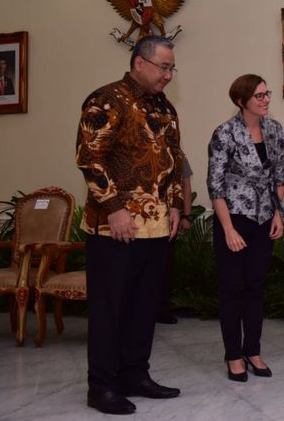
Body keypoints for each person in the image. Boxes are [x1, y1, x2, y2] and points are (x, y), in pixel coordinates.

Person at [76, 35, 184, 415]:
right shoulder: (106, 100)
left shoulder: (165, 108)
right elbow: (90, 158)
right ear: (140, 63)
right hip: (114, 228)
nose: (169, 75)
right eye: (163, 67)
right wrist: (114, 209)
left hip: (155, 229)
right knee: (111, 309)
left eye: (172, 68)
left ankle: (135, 374)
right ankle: (102, 386)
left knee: (143, 306)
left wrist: (174, 207)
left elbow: (172, 161)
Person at [207, 74, 284, 383]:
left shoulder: (275, 129)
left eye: (267, 94)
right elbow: (215, 186)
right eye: (259, 96)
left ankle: (252, 350)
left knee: (256, 288)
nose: (266, 100)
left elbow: (280, 174)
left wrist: (278, 215)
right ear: (241, 101)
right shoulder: (224, 133)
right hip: (234, 218)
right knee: (231, 290)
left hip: (265, 218)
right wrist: (228, 229)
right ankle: (233, 356)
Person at [156, 152, 194, 325]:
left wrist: (186, 216)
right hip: (139, 224)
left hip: (168, 221)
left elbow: (185, 184)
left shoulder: (178, 155)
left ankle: (162, 309)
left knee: (165, 267)